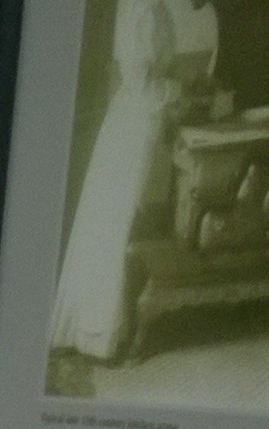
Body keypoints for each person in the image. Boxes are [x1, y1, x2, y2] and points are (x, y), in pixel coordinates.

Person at [52, 0, 181, 362]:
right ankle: (100, 331)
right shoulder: (143, 8)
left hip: (142, 118)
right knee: (115, 222)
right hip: (137, 123)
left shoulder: (151, 6)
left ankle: (107, 323)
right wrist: (179, 92)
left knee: (117, 220)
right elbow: (141, 85)